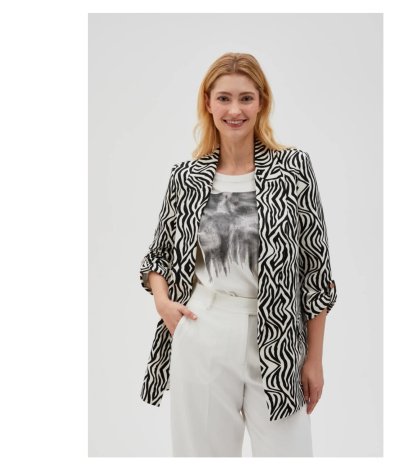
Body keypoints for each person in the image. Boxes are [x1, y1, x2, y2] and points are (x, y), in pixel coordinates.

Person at [139, 52, 338, 457]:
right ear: (208, 103)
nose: (235, 110)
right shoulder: (187, 178)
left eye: (246, 98)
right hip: (204, 331)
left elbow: (316, 272)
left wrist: (314, 360)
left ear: (261, 102)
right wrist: (163, 302)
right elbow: (158, 256)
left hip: (279, 337)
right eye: (224, 98)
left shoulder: (293, 169)